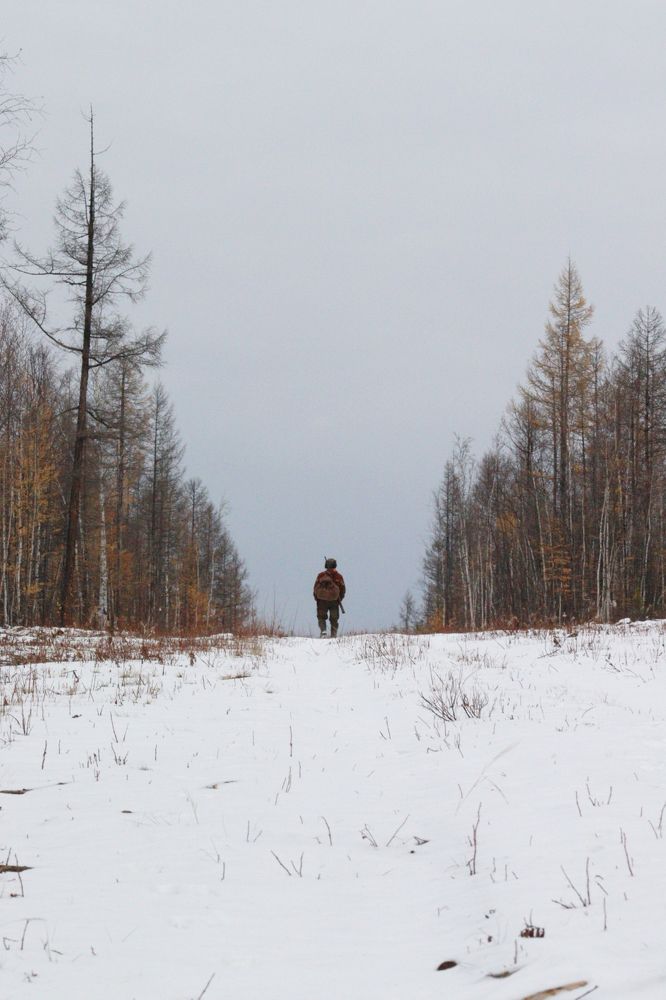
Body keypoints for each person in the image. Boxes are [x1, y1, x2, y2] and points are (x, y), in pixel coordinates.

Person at [313, 557, 346, 638]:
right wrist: (339, 599)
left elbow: (315, 588)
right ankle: (333, 635)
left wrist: (317, 598)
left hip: (321, 601)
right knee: (334, 619)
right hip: (334, 601)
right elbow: (343, 589)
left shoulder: (320, 575)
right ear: (335, 565)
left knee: (321, 617)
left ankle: (323, 631)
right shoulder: (339, 576)